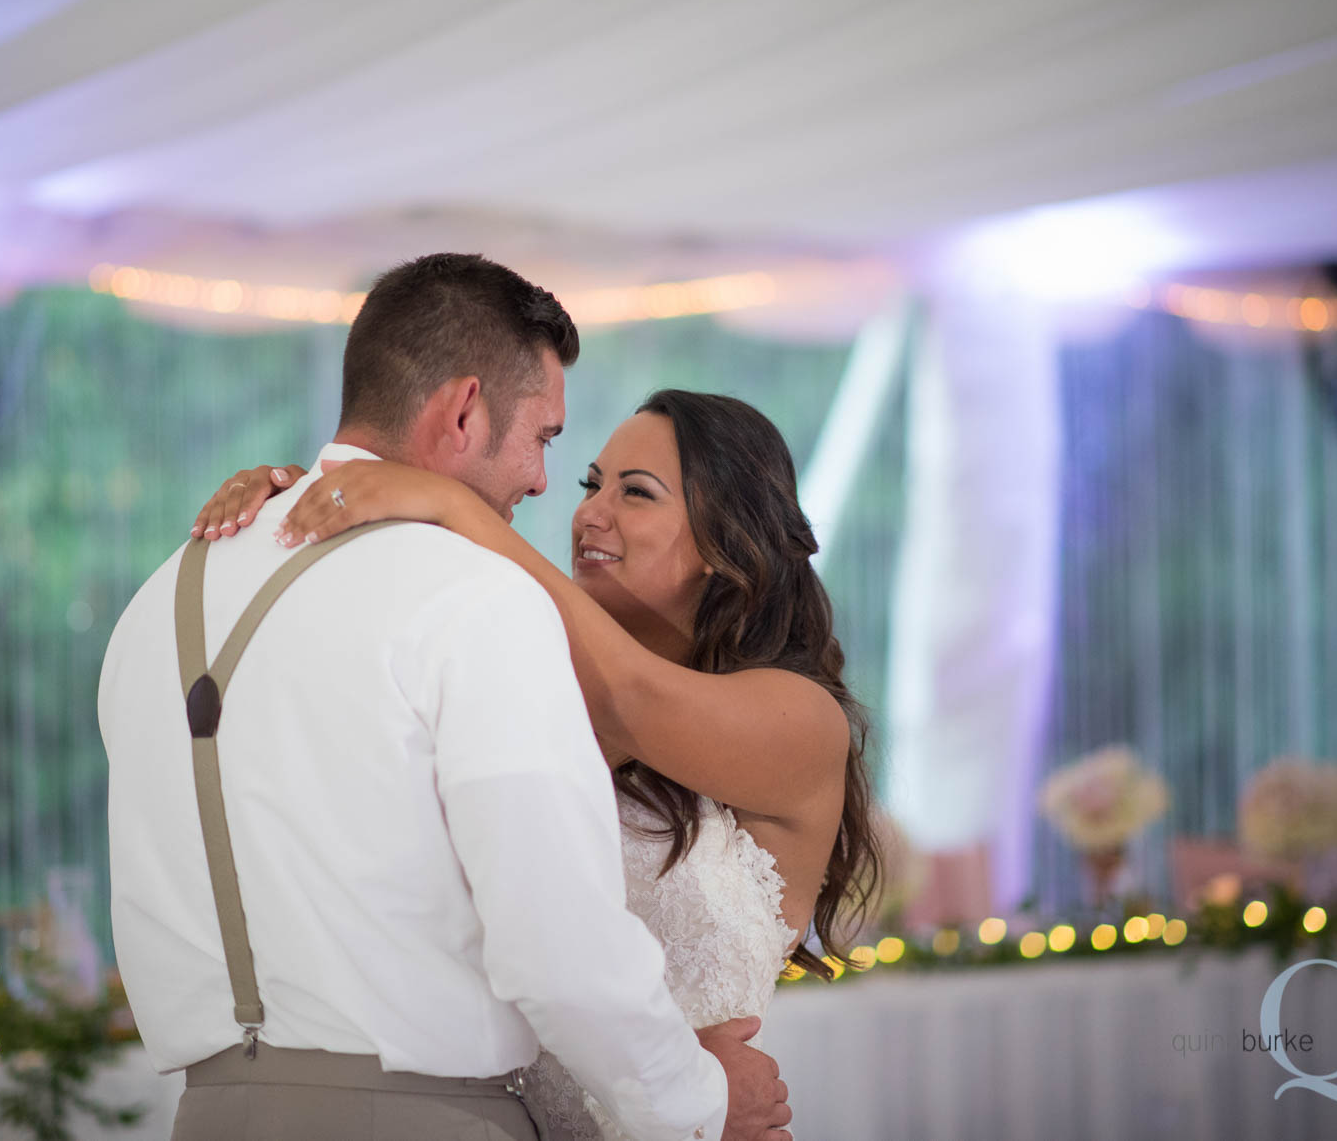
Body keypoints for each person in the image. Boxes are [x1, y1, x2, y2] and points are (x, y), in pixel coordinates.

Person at [102, 254, 791, 1141]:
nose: (546, 483)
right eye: (544, 438)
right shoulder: (476, 596)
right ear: (464, 409)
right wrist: (697, 1102)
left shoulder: (158, 597)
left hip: (205, 1115)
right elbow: (558, 947)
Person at [195, 384, 882, 1140]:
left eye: (636, 493)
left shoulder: (801, 720)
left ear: (727, 543)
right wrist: (302, 513)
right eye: (592, 484)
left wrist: (450, 505)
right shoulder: (530, 683)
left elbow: (631, 694)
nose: (589, 511)